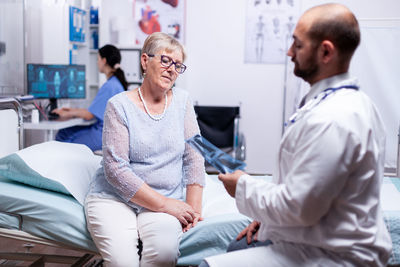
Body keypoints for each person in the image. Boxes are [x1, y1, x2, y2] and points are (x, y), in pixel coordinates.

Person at [200, 3, 392, 267]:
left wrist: (242, 186)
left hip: (333, 256)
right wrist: (267, 218)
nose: (289, 52)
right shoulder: (338, 102)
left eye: (298, 45)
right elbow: (308, 184)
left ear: (325, 51)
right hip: (318, 234)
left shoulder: (335, 119)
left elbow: (301, 208)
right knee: (237, 246)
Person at [84, 32, 205, 267]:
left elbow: (195, 157)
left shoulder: (182, 101)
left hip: (166, 197)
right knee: (122, 262)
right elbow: (116, 170)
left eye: (178, 65)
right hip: (114, 198)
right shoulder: (118, 106)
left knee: (164, 253)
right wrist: (165, 204)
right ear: (144, 61)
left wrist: (193, 211)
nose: (172, 69)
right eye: (166, 60)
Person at [53, 44, 127, 151]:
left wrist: (67, 113)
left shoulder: (110, 86)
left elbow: (89, 115)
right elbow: (94, 112)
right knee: (64, 132)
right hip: (108, 130)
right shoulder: (115, 83)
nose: (97, 63)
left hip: (103, 133)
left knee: (66, 142)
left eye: (98, 59)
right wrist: (71, 110)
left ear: (104, 60)